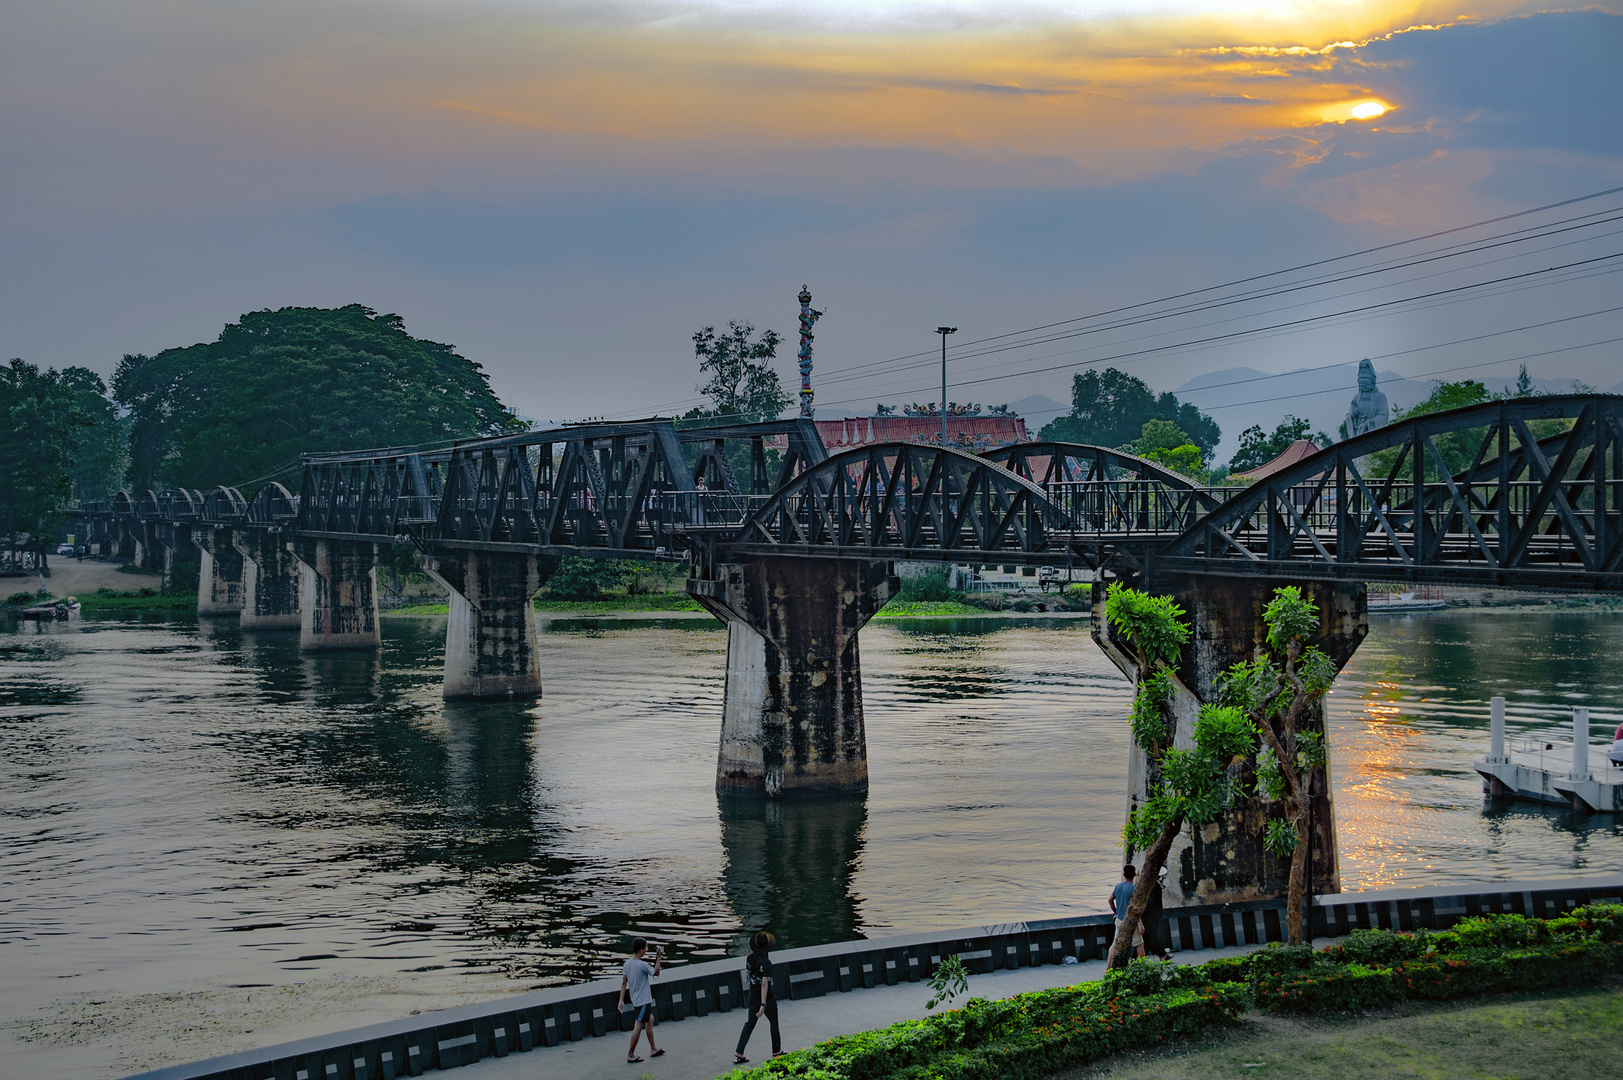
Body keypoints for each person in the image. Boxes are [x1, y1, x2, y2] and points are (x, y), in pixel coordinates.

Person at [733, 930, 782, 1064]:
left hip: (752, 994)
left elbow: (752, 975)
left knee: (750, 1023)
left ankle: (739, 1051)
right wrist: (763, 1004)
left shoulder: (749, 958)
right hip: (766, 997)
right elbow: (764, 984)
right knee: (773, 1021)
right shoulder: (767, 963)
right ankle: (776, 1050)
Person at [620, 938, 665, 1064]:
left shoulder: (627, 964)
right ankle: (630, 1054)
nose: (646, 950)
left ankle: (653, 1048)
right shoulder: (642, 965)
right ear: (641, 950)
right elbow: (656, 973)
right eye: (645, 948)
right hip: (643, 1001)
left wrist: (621, 1000)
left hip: (636, 999)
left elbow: (624, 983)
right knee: (638, 1026)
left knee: (649, 1020)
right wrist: (659, 958)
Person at [1108, 864, 1145, 959]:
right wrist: (1140, 924)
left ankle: (1108, 968)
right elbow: (1136, 908)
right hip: (1130, 921)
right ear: (1135, 874)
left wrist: (1116, 912)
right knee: (1140, 944)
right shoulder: (1134, 889)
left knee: (1114, 945)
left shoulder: (1118, 886)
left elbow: (1110, 900)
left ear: (1124, 874)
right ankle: (1142, 967)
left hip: (1119, 920)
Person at [1142, 868, 1171, 961]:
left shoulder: (1146, 885)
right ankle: (1161, 955)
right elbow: (1152, 902)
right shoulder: (1155, 886)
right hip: (1152, 916)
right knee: (1150, 937)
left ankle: (1162, 955)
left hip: (1148, 915)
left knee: (1150, 936)